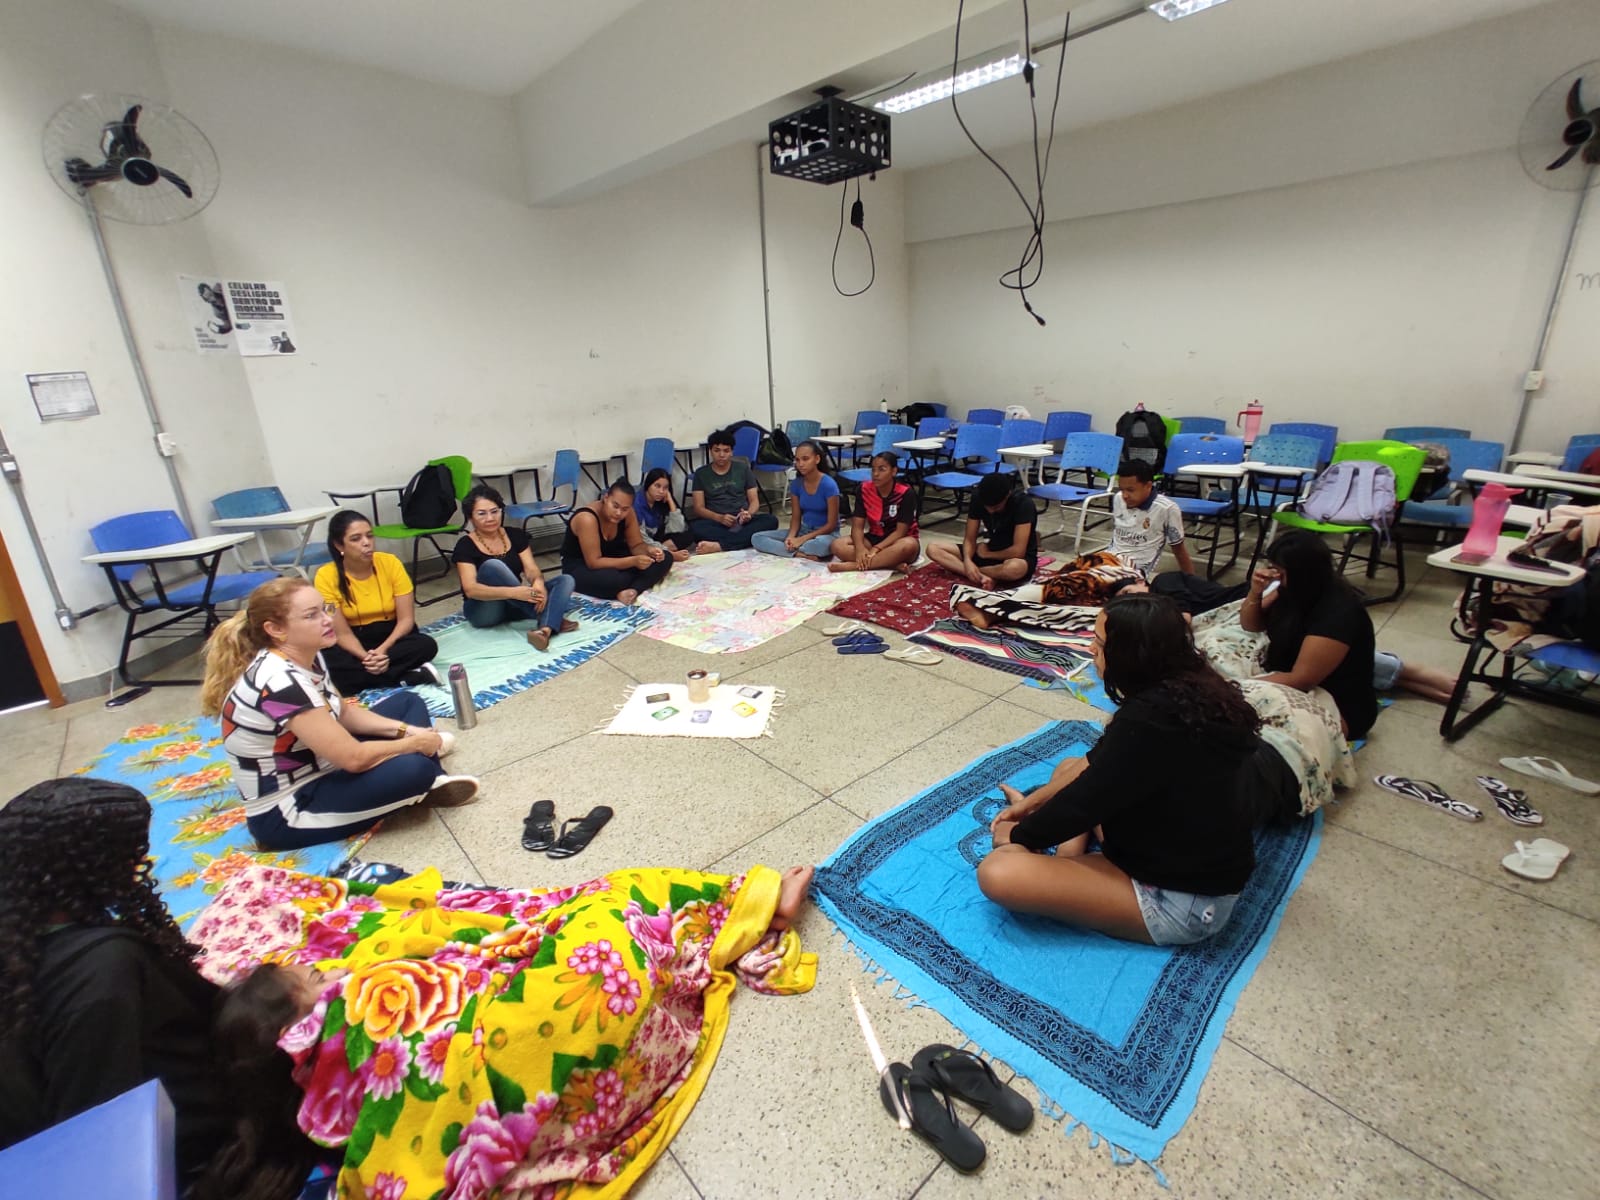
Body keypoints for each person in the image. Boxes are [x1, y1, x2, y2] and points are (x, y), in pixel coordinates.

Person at [192, 863, 817, 1200]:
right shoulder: (348, 1025)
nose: (319, 969)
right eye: (308, 976)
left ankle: (730, 913)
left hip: (499, 1026)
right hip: (542, 1030)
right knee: (617, 901)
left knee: (554, 920)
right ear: (301, 1033)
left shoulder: (324, 1116)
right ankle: (750, 905)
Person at [978, 594, 1267, 944]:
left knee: (1000, 871)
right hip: (1166, 845)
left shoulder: (1152, 719)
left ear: (1131, 655)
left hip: (1181, 901)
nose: (1090, 649)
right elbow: (1095, 763)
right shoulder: (1187, 687)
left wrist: (1019, 834)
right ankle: (1068, 857)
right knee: (1070, 767)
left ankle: (1063, 862)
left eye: (1098, 643)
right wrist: (1031, 803)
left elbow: (1085, 801)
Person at [0, 779, 230, 1188]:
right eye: (133, 854)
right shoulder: (104, 971)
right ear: (93, 865)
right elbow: (102, 1130)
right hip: (168, 1150)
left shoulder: (20, 934)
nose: (139, 863)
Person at [199, 577, 479, 852]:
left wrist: (406, 731)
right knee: (413, 769)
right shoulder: (280, 682)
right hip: (288, 810)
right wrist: (414, 743)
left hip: (322, 763)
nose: (327, 620)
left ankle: (429, 778)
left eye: (326, 609)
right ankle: (427, 776)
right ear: (275, 629)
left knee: (407, 702)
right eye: (312, 615)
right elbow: (352, 759)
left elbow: (343, 711)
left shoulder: (309, 653)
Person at [1241, 530, 1382, 739]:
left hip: (1339, 704)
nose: (1274, 574)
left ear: (1302, 573)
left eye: (1279, 570)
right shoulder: (1290, 590)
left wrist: (1241, 687)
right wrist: (1256, 592)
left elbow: (1302, 678)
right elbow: (1251, 625)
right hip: (1289, 676)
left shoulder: (1338, 611)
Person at [313, 510, 441, 695]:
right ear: (339, 545)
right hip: (354, 639)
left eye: (369, 536)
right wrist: (366, 657)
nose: (366, 543)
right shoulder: (325, 576)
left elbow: (406, 620)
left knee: (426, 645)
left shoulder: (390, 563)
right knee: (325, 660)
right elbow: (341, 633)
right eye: (356, 539)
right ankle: (405, 678)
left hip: (391, 636)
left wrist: (382, 651)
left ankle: (368, 677)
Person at [452, 484, 577, 652]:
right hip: (485, 610)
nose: (490, 518)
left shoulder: (515, 535)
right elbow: (471, 590)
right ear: (470, 517)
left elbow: (531, 569)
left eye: (494, 511)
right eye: (481, 513)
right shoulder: (465, 545)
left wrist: (538, 582)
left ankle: (544, 630)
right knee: (493, 566)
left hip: (515, 604)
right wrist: (515, 593)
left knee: (565, 580)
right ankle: (552, 619)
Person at [562, 479, 673, 603]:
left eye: (625, 509)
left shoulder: (629, 513)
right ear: (606, 498)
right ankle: (634, 583)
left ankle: (633, 590)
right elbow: (593, 562)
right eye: (615, 506)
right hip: (582, 565)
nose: (619, 513)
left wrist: (649, 550)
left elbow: (636, 545)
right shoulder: (587, 518)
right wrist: (633, 561)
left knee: (666, 558)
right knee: (615, 581)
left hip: (613, 558)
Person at [927, 472, 1039, 588]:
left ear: (1007, 496)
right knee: (933, 548)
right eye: (988, 507)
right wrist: (968, 561)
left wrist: (988, 555)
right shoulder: (978, 497)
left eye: (996, 507)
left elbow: (1018, 551)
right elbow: (970, 539)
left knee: (1014, 569)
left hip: (1015, 557)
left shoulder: (1023, 504)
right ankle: (977, 573)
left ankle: (977, 573)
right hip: (989, 549)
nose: (991, 511)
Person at [828, 451, 921, 574]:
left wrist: (877, 549)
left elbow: (900, 532)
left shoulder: (905, 493)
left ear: (894, 471)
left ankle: (854, 566)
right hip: (874, 537)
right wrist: (860, 548)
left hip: (898, 540)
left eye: (882, 469)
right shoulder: (864, 489)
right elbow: (857, 526)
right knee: (837, 545)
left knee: (908, 545)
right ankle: (890, 564)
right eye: (873, 469)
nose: (876, 474)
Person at [687, 428, 779, 551]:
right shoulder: (701, 473)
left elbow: (754, 501)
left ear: (732, 452)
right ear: (710, 451)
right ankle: (743, 540)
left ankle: (721, 545)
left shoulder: (743, 469)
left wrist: (748, 514)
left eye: (726, 451)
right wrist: (719, 518)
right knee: (694, 528)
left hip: (742, 522)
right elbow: (698, 508)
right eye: (717, 450)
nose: (721, 455)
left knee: (771, 520)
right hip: (716, 522)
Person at [751, 439, 841, 560]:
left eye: (805, 459)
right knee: (757, 538)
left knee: (820, 544)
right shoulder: (796, 484)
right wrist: (791, 537)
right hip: (803, 530)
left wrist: (802, 539)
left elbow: (831, 525)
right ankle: (800, 554)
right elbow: (796, 518)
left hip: (825, 534)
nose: (800, 464)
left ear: (817, 459)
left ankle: (803, 549)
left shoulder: (829, 485)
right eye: (797, 460)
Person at [1108, 458, 1195, 576]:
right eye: (1122, 489)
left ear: (1148, 486)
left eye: (1130, 490)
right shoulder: (1119, 498)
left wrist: (1191, 581)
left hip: (1135, 569)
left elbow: (1179, 549)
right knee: (1075, 575)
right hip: (1108, 559)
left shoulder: (1166, 509)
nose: (1125, 495)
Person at [635, 467, 718, 559]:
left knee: (688, 534)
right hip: (642, 544)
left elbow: (678, 528)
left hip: (656, 538)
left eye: (665, 488)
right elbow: (642, 539)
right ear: (648, 485)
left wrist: (670, 500)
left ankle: (661, 551)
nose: (661, 491)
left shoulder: (661, 501)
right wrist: (670, 554)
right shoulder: (637, 505)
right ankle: (661, 552)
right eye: (657, 486)